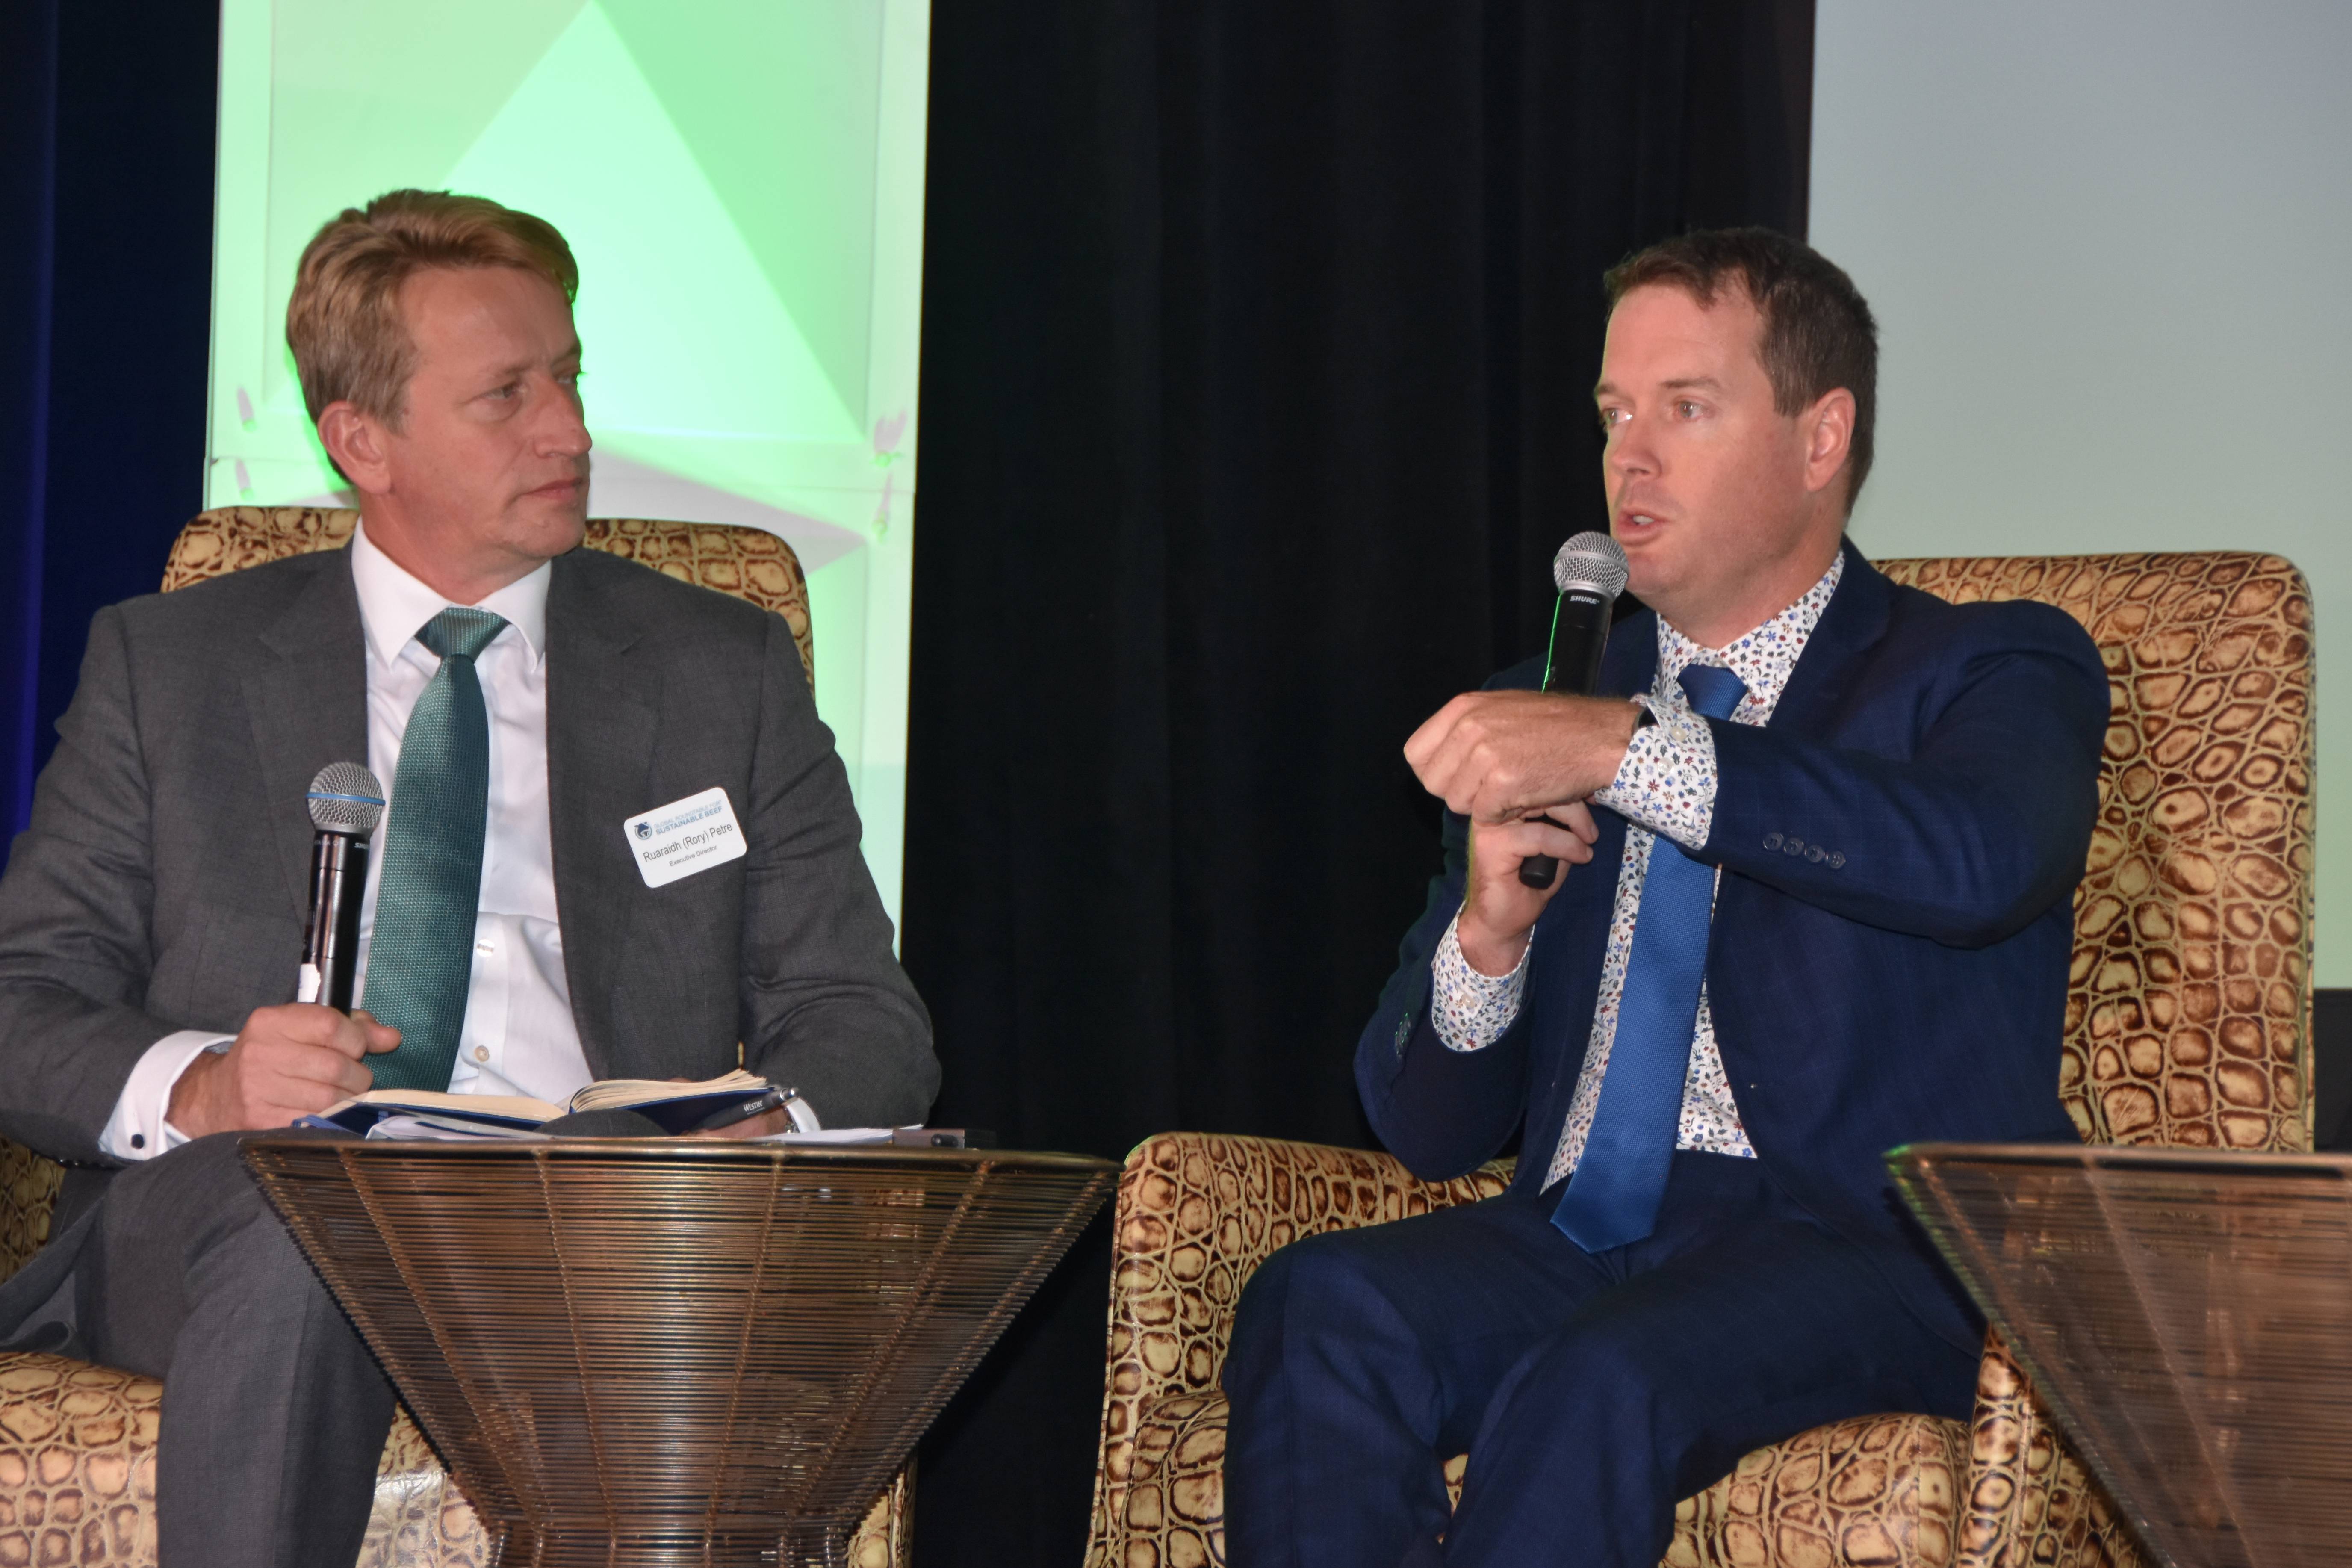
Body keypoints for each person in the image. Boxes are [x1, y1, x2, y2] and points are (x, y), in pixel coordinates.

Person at [0, 190, 938, 1568]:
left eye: (568, 377)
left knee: (694, 1290)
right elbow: (25, 998)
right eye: (508, 395)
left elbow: (862, 1014)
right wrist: (205, 1085)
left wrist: (761, 1128)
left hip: (597, 1220)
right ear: (362, 442)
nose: (570, 431)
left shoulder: (718, 670)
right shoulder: (171, 666)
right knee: (311, 1211)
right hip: (246, 1209)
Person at [1220, 228, 2110, 1566]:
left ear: (1821, 439)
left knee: (1599, 1379)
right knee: (1320, 1305)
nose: (1629, 457)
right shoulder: (1552, 699)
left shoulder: (1985, 667)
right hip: (1581, 1231)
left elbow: (1979, 857)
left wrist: (1636, 751)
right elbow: (1425, 1126)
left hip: (1863, 1249)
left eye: (1685, 408)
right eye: (1614, 413)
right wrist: (1490, 937)